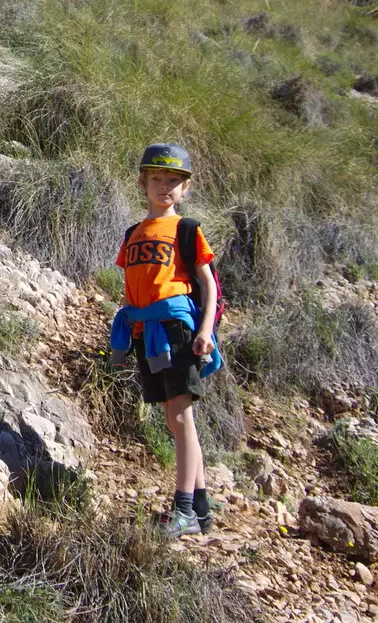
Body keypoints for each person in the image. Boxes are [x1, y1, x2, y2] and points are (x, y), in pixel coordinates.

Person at [108, 142, 224, 537]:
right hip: (148, 333)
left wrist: (206, 330)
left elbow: (208, 286)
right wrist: (129, 331)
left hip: (176, 331)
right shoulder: (133, 233)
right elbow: (132, 286)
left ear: (185, 188)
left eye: (173, 180)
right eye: (157, 178)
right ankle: (202, 510)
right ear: (143, 182)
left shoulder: (186, 230)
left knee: (180, 416)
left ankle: (184, 511)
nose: (164, 187)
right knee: (175, 421)